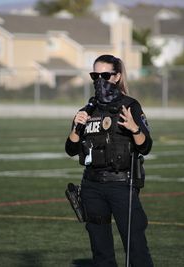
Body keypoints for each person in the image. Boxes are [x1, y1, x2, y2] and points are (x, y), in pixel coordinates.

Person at [65, 54, 154, 267]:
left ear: (117, 76)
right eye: (95, 75)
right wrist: (77, 126)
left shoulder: (130, 106)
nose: (100, 80)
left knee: (135, 246)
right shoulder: (87, 109)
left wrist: (134, 129)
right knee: (100, 249)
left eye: (105, 75)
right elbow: (70, 149)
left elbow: (146, 146)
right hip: (92, 186)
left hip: (122, 184)